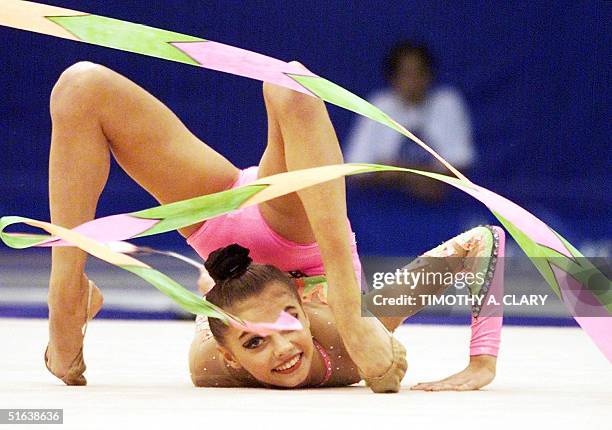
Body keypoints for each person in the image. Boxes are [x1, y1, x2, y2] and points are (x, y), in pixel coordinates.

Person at [44, 60, 499, 392]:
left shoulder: (210, 366)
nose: (281, 350)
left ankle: (68, 295)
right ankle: (65, 291)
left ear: (228, 356)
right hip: (296, 236)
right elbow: (483, 241)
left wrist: (482, 364)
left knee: (84, 87)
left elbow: (215, 295)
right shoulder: (352, 332)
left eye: (260, 338)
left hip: (223, 234)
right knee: (78, 86)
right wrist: (481, 359)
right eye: (258, 342)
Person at [345, 41, 475, 203]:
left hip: (440, 208)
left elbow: (461, 166)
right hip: (384, 207)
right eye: (406, 74)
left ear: (430, 75)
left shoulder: (448, 102)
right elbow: (355, 169)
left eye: (419, 72)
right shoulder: (378, 105)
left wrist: (401, 171)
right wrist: (411, 178)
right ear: (393, 78)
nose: (413, 81)